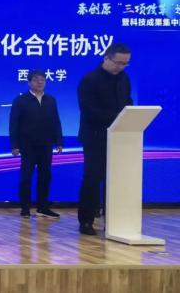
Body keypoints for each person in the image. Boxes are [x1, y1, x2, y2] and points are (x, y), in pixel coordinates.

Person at [77, 43, 132, 235]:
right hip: (95, 137)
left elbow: (128, 102)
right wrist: (118, 117)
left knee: (116, 180)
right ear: (106, 58)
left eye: (125, 63)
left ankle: (114, 220)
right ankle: (86, 221)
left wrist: (129, 114)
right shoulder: (90, 80)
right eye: (118, 62)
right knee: (92, 179)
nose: (121, 67)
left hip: (119, 138)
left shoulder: (124, 79)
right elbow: (89, 110)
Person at [9, 69, 63, 219]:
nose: (40, 82)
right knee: (26, 177)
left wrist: (59, 141)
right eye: (36, 79)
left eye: (42, 80)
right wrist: (14, 145)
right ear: (29, 82)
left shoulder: (50, 100)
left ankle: (43, 207)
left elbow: (56, 122)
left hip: (46, 145)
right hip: (27, 145)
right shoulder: (20, 100)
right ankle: (25, 208)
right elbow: (14, 124)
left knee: (45, 177)